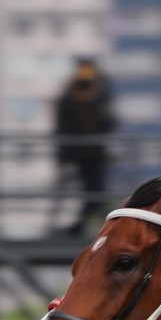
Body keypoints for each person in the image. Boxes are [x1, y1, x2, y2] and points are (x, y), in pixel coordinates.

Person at [54, 56, 116, 234]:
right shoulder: (69, 96)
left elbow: (108, 122)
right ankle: (80, 227)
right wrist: (64, 156)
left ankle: (82, 227)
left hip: (95, 154)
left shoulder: (101, 94)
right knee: (92, 193)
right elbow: (63, 126)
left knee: (96, 193)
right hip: (79, 153)